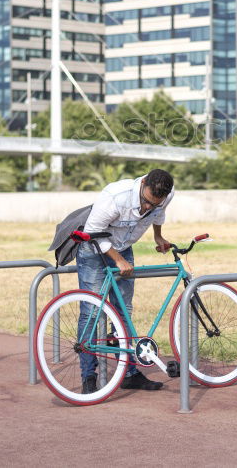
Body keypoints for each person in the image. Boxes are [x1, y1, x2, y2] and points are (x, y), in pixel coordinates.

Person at [77, 168, 175, 395]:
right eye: (146, 201)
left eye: (154, 203)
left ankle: (129, 373)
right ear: (142, 184)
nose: (147, 207)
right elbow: (91, 231)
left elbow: (158, 214)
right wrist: (119, 260)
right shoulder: (114, 197)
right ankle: (88, 377)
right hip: (93, 248)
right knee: (92, 313)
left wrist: (157, 235)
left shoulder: (165, 195)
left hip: (122, 247)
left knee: (123, 312)